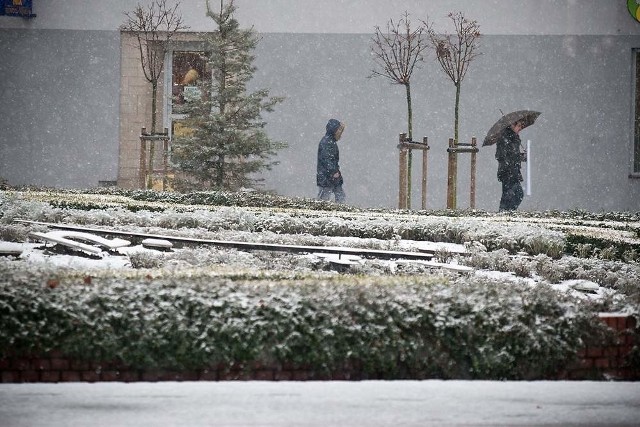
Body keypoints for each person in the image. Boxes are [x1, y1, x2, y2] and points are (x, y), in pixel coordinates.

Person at [495, 120, 525, 211]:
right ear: (512, 125)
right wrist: (516, 157)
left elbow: (513, 154)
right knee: (512, 194)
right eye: (518, 126)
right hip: (507, 171)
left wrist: (521, 157)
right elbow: (501, 155)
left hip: (514, 170)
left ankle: (507, 212)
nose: (520, 128)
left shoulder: (514, 138)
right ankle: (505, 212)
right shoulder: (504, 137)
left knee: (515, 194)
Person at [316, 118, 346, 203]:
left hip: (330, 175)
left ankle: (340, 211)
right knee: (325, 197)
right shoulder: (327, 142)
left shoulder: (330, 142)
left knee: (339, 195)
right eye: (339, 130)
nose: (340, 133)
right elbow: (327, 159)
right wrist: (333, 171)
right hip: (328, 176)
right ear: (334, 130)